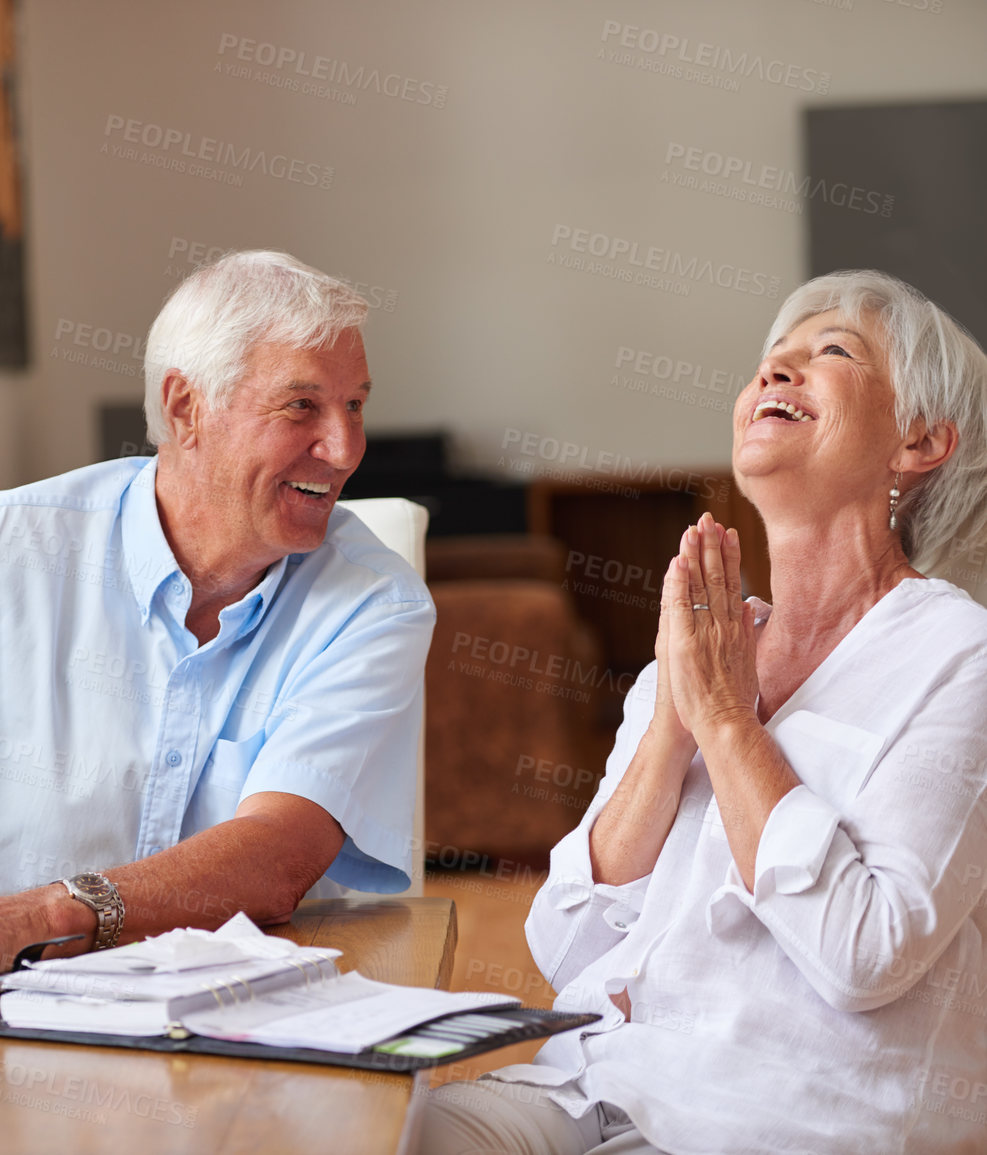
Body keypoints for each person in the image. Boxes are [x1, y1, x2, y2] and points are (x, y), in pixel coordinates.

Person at [422, 270, 987, 1154]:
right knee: (376, 1134)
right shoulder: (704, 645)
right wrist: (673, 722)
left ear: (918, 440)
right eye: (768, 362)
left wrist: (728, 724)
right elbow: (562, 942)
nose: (774, 375)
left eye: (829, 352)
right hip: (590, 1081)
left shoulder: (959, 656)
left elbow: (864, 951)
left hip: (770, 1117)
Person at [0, 251, 434, 994]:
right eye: (302, 406)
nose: (346, 448)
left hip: (228, 1031)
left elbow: (276, 855)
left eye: (354, 405)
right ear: (186, 408)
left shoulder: (373, 600)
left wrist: (36, 917)